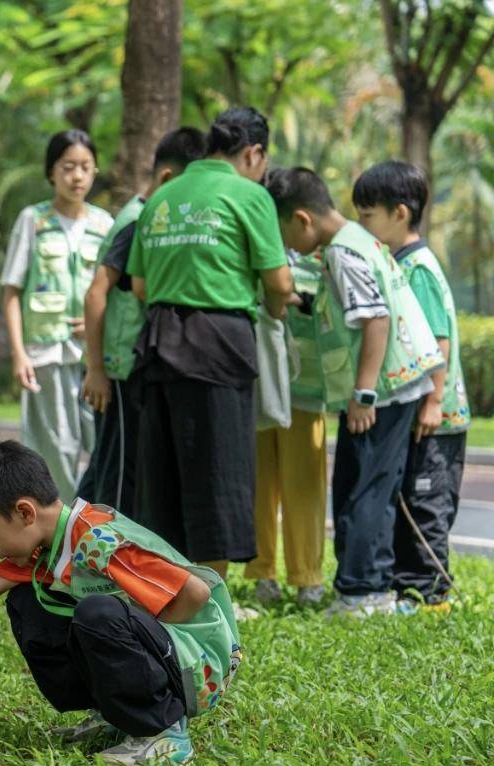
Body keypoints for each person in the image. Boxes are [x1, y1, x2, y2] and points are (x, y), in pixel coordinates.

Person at [0, 441, 241, 766]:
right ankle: (118, 715)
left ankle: (164, 732)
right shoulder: (49, 545)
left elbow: (195, 593)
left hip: (198, 665)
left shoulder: (97, 540)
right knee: (28, 602)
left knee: (97, 614)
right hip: (164, 654)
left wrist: (140, 635)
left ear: (25, 512)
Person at [265, 166, 442, 618]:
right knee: (367, 484)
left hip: (381, 391)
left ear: (302, 220)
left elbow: (375, 319)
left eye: (282, 232)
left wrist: (364, 394)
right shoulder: (358, 241)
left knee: (363, 487)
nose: (284, 247)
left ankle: (362, 593)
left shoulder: (342, 253)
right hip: (394, 383)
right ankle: (371, 587)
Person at [126, 106, 293, 581]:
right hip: (220, 345)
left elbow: (139, 286)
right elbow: (279, 284)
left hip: (158, 344)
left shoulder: (162, 195)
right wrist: (277, 313)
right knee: (217, 475)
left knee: (164, 479)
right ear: (254, 153)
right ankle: (209, 597)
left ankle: (167, 591)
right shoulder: (249, 194)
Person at [354, 160, 468, 613]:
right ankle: (411, 588)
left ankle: (431, 593)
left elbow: (435, 339)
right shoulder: (404, 261)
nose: (363, 227)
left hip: (435, 416)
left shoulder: (416, 268)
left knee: (427, 503)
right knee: (413, 499)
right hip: (425, 412)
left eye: (368, 216)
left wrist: (433, 400)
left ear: (399, 213)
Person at [78, 127, 206, 514]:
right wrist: (96, 369)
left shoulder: (149, 217)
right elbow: (96, 291)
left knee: (109, 466)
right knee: (117, 476)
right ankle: (101, 560)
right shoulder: (136, 220)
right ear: (168, 178)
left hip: (135, 367)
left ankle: (64, 548)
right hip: (118, 369)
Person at [1, 129, 113, 500]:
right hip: (45, 355)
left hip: (93, 356)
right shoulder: (31, 221)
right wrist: (19, 354)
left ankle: (99, 527)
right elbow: (12, 292)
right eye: (68, 167)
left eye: (85, 167)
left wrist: (99, 322)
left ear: (95, 171)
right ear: (52, 172)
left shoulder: (105, 225)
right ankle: (62, 530)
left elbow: (115, 292)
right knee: (56, 451)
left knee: (103, 444)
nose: (77, 176)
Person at [245, 250, 329, 607]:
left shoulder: (322, 257)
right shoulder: (253, 251)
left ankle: (307, 577)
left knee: (306, 486)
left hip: (307, 389)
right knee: (259, 486)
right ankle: (263, 574)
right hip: (259, 386)